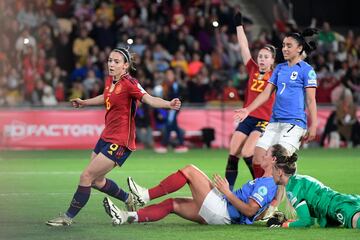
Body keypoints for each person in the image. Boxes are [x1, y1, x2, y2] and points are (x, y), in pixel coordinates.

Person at [46, 47, 182, 226]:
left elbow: (148, 99)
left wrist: (168, 104)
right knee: (96, 181)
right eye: (110, 60)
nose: (111, 64)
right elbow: (106, 96)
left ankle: (67, 217)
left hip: (120, 141)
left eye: (116, 62)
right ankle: (128, 198)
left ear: (125, 66)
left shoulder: (130, 83)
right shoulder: (111, 81)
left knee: (86, 176)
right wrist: (85, 102)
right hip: (106, 136)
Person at [102, 145, 280, 225]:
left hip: (222, 211)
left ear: (273, 160)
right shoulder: (268, 183)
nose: (262, 155)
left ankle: (144, 195)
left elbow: (249, 210)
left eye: (267, 154)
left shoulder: (268, 183)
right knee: (172, 204)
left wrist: (227, 192)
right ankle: (125, 216)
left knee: (190, 170)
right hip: (223, 212)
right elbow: (256, 213)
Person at [234, 28, 319, 178]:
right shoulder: (279, 68)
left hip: (294, 123)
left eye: (289, 46)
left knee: (279, 163)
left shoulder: (307, 70)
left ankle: (274, 199)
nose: (284, 49)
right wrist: (247, 109)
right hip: (274, 122)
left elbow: (311, 99)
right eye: (284, 45)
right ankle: (263, 195)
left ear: (299, 48)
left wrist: (314, 125)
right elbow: (266, 93)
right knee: (258, 159)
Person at [225, 11, 276, 189]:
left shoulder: (275, 76)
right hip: (247, 118)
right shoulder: (253, 69)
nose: (261, 60)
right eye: (260, 56)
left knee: (248, 152)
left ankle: (261, 186)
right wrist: (239, 26)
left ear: (272, 61)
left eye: (266, 57)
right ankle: (227, 192)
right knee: (233, 153)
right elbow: (244, 47)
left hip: (263, 120)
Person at [270, 144, 360, 229]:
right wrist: (289, 222)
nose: (271, 174)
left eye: (272, 170)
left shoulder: (292, 189)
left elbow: (306, 222)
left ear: (280, 172)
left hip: (338, 208)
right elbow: (310, 218)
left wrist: (282, 225)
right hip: (344, 201)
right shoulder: (298, 180)